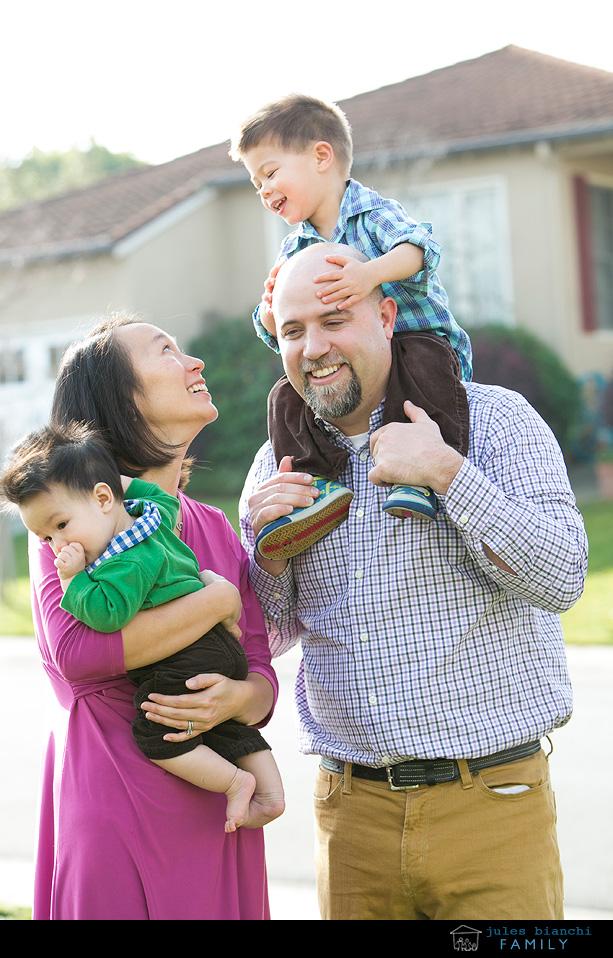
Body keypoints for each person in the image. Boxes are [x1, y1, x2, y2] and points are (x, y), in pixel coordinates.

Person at [238, 242, 589, 921]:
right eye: (292, 330)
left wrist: (446, 474)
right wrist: (267, 553)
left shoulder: (493, 421)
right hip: (350, 817)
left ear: (387, 314)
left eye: (333, 319)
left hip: (490, 808)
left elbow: (563, 578)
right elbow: (271, 635)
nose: (313, 347)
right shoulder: (276, 462)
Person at [1, 313, 279, 920]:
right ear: (122, 401)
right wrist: (215, 602)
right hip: (114, 804)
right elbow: (77, 655)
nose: (194, 362)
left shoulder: (214, 526)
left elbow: (261, 681)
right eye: (166, 351)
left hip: (221, 801)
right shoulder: (66, 519)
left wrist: (232, 700)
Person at [2, 422, 285, 834]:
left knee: (156, 734)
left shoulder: (124, 562)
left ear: (103, 498)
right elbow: (149, 490)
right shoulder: (156, 515)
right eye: (45, 538)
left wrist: (73, 580)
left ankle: (235, 782)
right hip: (217, 647)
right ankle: (272, 790)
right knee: (220, 723)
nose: (57, 545)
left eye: (60, 526)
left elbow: (108, 614)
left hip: (185, 653)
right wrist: (108, 479)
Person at [230, 93, 471, 559]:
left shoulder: (371, 213)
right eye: (256, 183)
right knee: (285, 396)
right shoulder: (294, 249)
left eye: (271, 172)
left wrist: (368, 274)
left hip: (418, 342)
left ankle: (421, 478)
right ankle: (312, 486)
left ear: (322, 156)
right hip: (357, 360)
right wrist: (269, 314)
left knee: (425, 373)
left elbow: (420, 250)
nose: (264, 190)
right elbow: (279, 326)